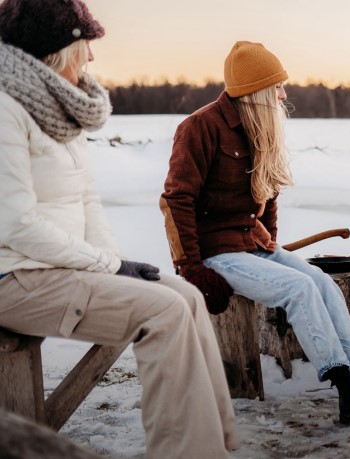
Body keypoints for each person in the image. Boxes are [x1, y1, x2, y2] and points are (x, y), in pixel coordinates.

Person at [0, 0, 238, 456]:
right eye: (85, 45)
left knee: (186, 296)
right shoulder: (7, 110)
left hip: (59, 268)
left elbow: (87, 199)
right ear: (58, 50)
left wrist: (111, 264)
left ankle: (215, 446)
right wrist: (109, 264)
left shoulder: (56, 108)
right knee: (163, 313)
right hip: (16, 276)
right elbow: (15, 224)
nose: (92, 57)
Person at [160, 41, 350, 425]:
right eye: (277, 86)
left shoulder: (259, 124)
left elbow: (270, 188)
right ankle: (348, 392)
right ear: (256, 91)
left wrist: (271, 237)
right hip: (216, 252)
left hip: (252, 243)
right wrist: (192, 268)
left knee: (322, 283)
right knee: (300, 289)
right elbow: (175, 201)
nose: (283, 94)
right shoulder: (200, 127)